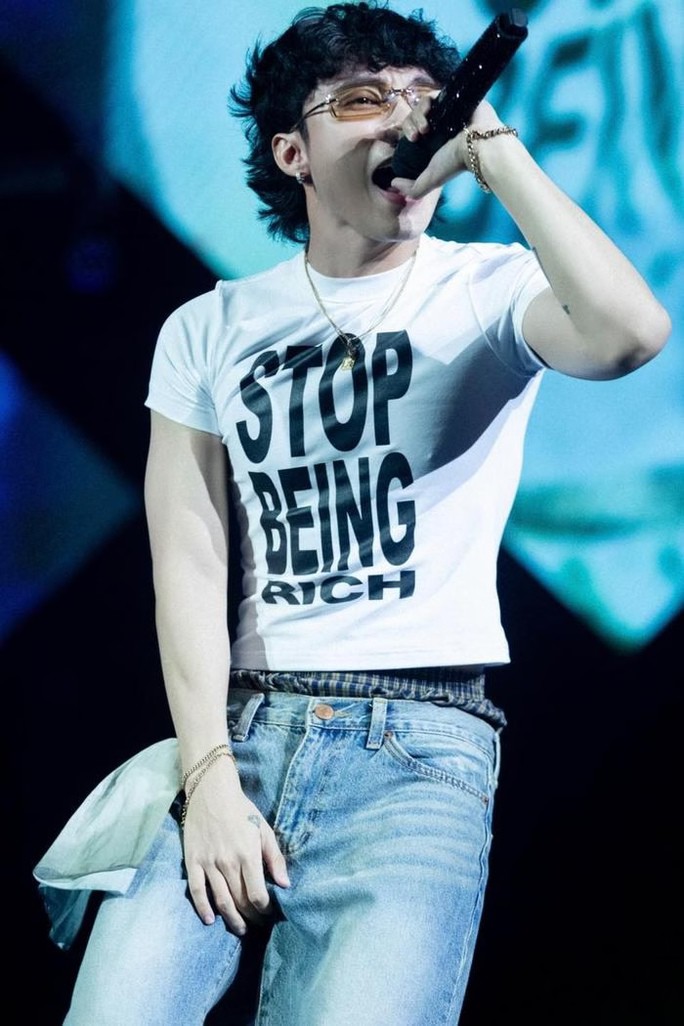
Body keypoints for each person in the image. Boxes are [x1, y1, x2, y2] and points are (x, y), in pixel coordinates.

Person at [34, 2, 671, 1024]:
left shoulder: (489, 288)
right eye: (365, 99)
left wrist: (496, 151)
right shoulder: (210, 326)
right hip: (239, 732)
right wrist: (209, 775)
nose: (406, 120)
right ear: (292, 150)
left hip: (419, 757)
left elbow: (631, 332)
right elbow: (188, 559)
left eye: (425, 99)